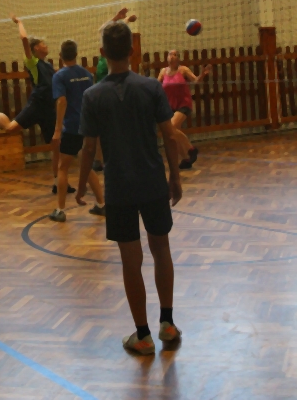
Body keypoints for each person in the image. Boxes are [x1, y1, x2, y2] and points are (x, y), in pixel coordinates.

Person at [76, 21, 182, 355]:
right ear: (132, 50)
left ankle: (143, 335)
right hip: (152, 181)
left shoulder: (93, 96)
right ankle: (168, 324)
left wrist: (80, 186)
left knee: (130, 260)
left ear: (102, 53)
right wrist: (175, 176)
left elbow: (88, 148)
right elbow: (169, 136)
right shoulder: (151, 87)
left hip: (119, 187)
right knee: (161, 248)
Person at [0, 16, 75, 195]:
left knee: (56, 145)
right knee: (10, 128)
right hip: (36, 105)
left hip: (49, 109)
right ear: (36, 48)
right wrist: (19, 23)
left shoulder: (48, 65)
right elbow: (24, 39)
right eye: (43, 44)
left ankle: (58, 183)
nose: (46, 46)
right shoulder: (32, 62)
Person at [49, 40, 105, 223]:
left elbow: (61, 101)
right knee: (86, 164)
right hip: (87, 125)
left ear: (60, 56)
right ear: (76, 54)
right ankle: (101, 204)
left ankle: (60, 210)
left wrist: (58, 129)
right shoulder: (87, 74)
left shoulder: (59, 76)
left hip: (71, 127)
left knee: (62, 167)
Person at [93, 8, 138, 171]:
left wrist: (123, 21)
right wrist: (118, 18)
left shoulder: (114, 59)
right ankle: (98, 159)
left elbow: (107, 32)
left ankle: (113, 157)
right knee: (100, 128)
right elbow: (104, 31)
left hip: (113, 93)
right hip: (103, 92)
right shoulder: (106, 56)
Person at [157, 50, 211, 169]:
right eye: (170, 54)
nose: (172, 56)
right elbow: (156, 86)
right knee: (173, 134)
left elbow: (196, 80)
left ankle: (191, 149)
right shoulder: (163, 72)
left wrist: (202, 74)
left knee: (171, 127)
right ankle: (186, 159)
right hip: (170, 106)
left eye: (175, 54)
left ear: (178, 58)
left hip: (183, 104)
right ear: (167, 58)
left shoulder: (183, 70)